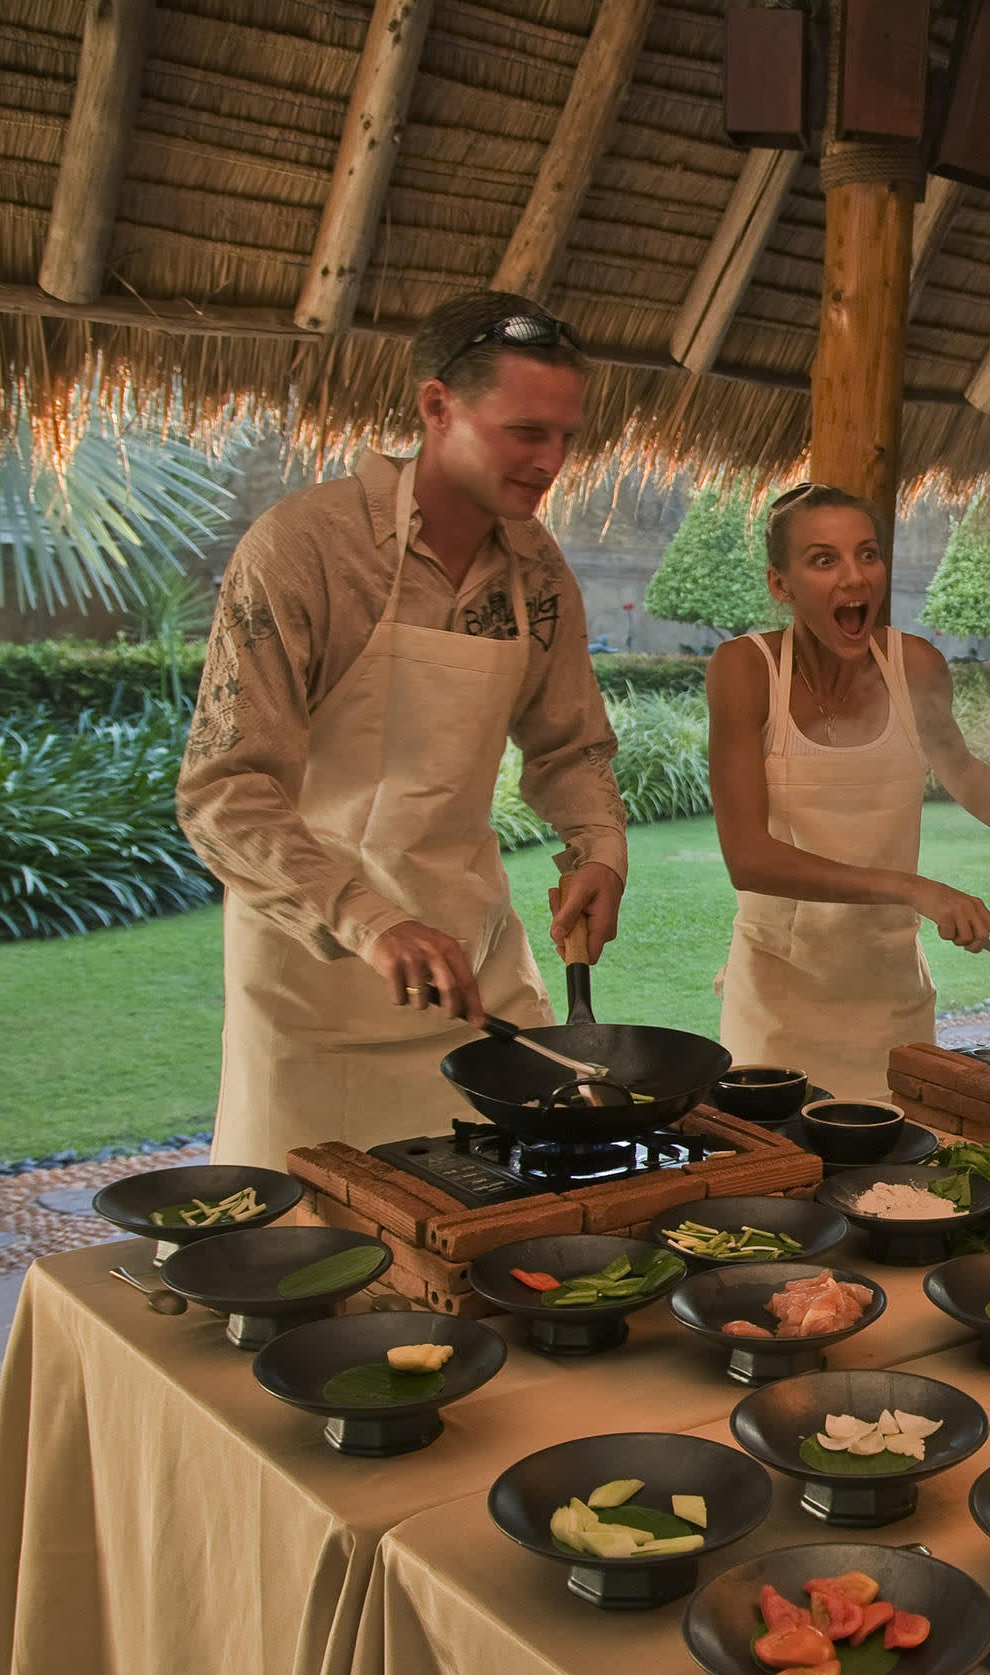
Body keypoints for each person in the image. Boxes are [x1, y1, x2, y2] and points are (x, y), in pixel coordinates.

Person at [179, 292, 629, 1165]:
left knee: (506, 1234)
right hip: (316, 986)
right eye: (527, 432)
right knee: (313, 1258)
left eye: (567, 439)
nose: (551, 462)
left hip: (479, 974)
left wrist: (599, 844)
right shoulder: (305, 548)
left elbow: (570, 743)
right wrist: (369, 919)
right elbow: (225, 792)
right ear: (437, 407)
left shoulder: (537, 571)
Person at [708, 483, 990, 1097]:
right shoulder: (745, 670)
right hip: (776, 1001)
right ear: (781, 584)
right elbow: (748, 858)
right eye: (824, 560)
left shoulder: (917, 665)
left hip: (891, 1000)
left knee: (897, 1184)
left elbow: (959, 765)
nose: (854, 578)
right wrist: (912, 888)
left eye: (867, 555)